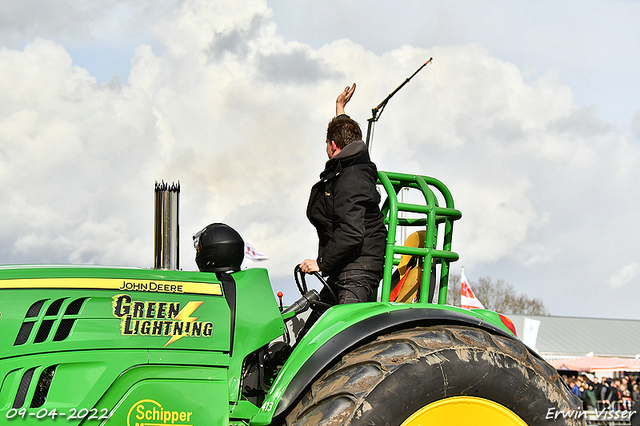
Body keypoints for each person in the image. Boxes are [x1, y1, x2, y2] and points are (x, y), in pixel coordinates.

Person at [300, 83, 387, 308]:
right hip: (345, 268)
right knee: (311, 331)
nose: (326, 148)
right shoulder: (356, 162)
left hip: (357, 270)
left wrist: (321, 263)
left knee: (341, 335)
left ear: (333, 146)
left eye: (327, 143)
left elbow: (351, 232)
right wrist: (340, 108)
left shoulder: (350, 179)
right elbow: (347, 137)